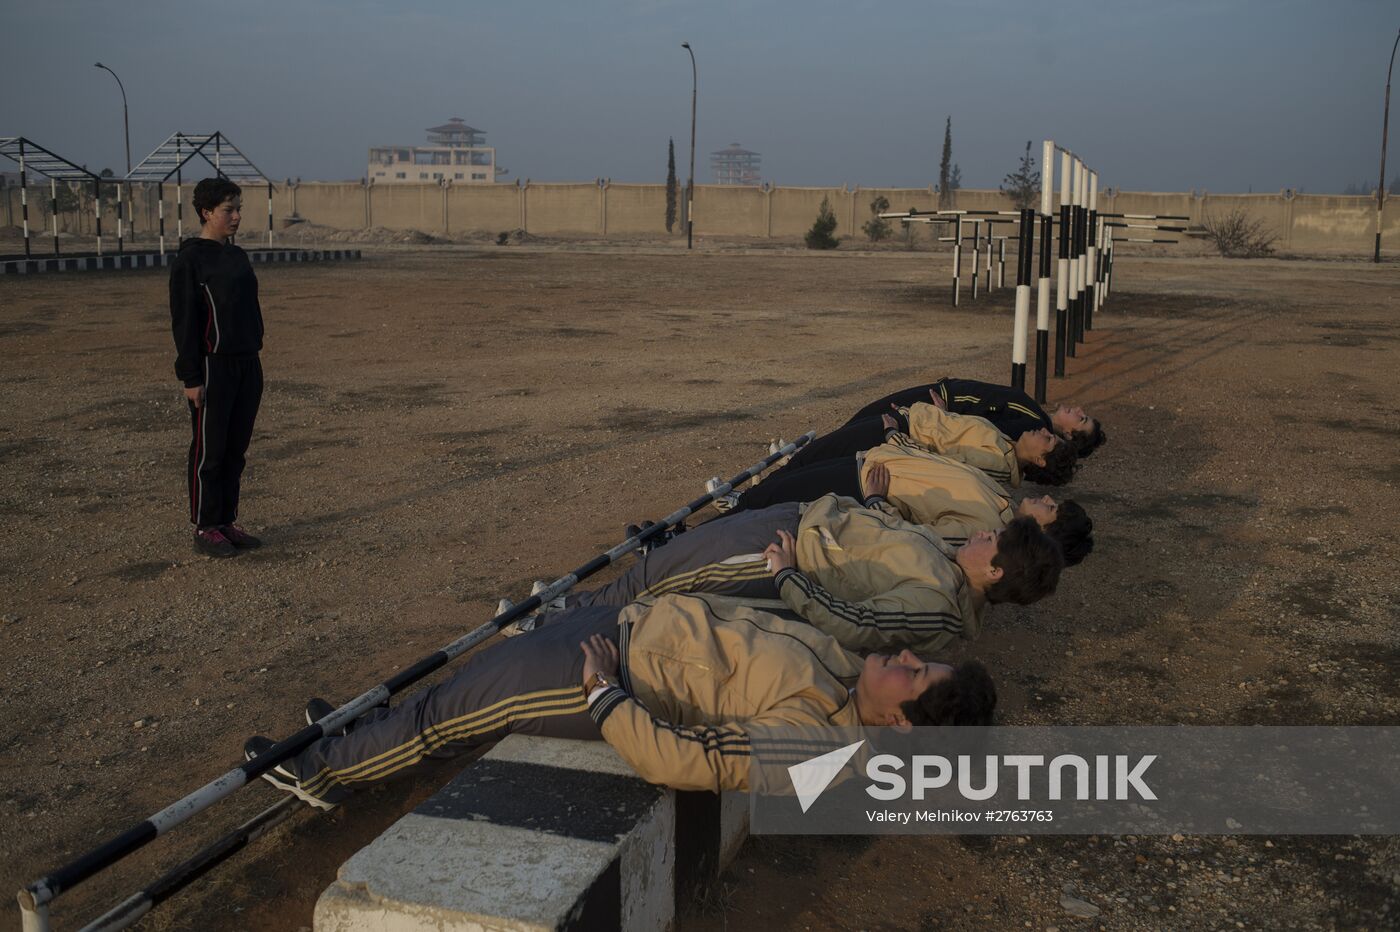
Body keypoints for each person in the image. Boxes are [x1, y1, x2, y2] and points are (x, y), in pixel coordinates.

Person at [244, 593, 997, 806]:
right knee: (461, 693)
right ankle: (365, 733)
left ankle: (324, 771)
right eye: (917, 657)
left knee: (452, 715)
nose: (903, 655)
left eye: (915, 673)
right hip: (627, 629)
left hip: (610, 673)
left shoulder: (819, 751)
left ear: (899, 723)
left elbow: (685, 763)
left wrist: (604, 697)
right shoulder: (843, 674)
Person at [553, 493, 1063, 656]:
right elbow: (892, 538)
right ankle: (567, 616)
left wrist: (789, 575)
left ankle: (557, 627)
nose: (982, 534)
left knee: (657, 579)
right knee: (661, 567)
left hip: (781, 551)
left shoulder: (938, 609)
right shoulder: (951, 569)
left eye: (991, 541)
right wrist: (878, 503)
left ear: (994, 572)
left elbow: (855, 623)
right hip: (799, 522)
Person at [727, 451, 1094, 566]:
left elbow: (917, 538)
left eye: (1052, 508)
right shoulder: (1002, 505)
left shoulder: (983, 529)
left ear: (1045, 532)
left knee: (757, 504)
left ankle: (692, 537)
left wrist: (874, 501)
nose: (1046, 499)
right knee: (766, 492)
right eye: (1052, 499)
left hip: (855, 487)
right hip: (868, 465)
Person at [169, 178, 265, 558]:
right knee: (210, 449)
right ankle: (205, 526)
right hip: (213, 368)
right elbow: (185, 322)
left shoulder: (237, 256)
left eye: (239, 208)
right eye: (229, 210)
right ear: (207, 213)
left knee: (235, 449)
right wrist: (191, 377)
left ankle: (226, 520)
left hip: (247, 364)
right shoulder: (190, 260)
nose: (237, 216)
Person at [845, 377, 1106, 458]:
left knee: (866, 424)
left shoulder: (1035, 425)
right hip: (944, 399)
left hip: (939, 406)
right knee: (864, 422)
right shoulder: (1038, 419)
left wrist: (947, 415)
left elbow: (987, 431)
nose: (1080, 411)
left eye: (1082, 420)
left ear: (1070, 436)